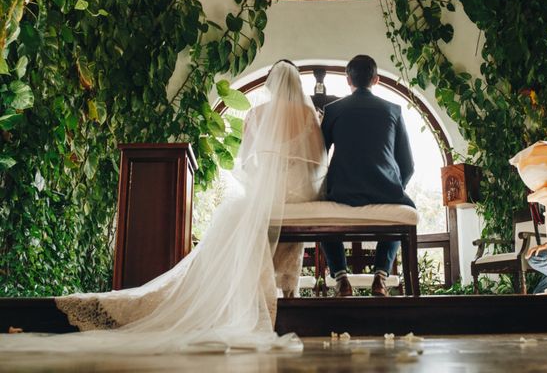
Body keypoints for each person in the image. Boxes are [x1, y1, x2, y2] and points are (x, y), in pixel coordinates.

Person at [0, 60, 326, 354]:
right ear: (297, 84)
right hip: (300, 195)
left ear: (271, 84)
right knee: (248, 214)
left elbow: (246, 165)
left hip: (268, 197)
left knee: (236, 212)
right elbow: (317, 164)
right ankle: (287, 288)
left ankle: (245, 297)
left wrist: (263, 189)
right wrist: (300, 190)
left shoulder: (257, 114)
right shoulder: (310, 114)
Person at [320, 55, 415, 297]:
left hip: (342, 191)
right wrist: (393, 187)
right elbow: (408, 164)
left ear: (348, 79)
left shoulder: (333, 110)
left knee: (320, 210)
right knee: (405, 209)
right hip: (385, 190)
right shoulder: (393, 110)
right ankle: (381, 276)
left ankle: (341, 278)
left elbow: (318, 157)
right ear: (376, 79)